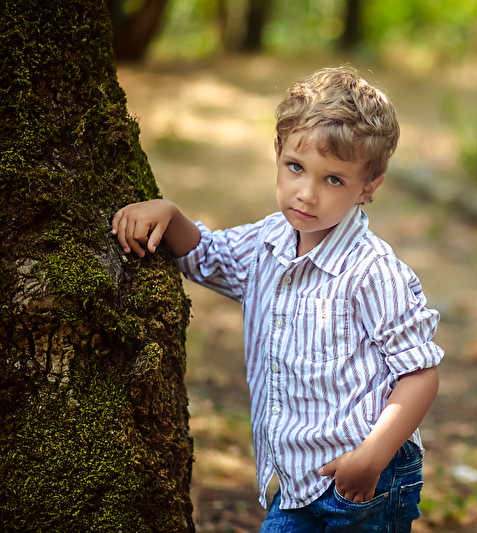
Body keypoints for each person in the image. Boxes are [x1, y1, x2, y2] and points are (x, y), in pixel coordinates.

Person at [112, 66, 444, 533]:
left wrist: (372, 456)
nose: (306, 193)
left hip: (366, 475)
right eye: (296, 167)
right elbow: (207, 256)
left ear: (369, 186)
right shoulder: (265, 242)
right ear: (277, 153)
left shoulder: (372, 271)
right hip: (296, 479)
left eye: (334, 180)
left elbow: (419, 374)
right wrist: (170, 215)